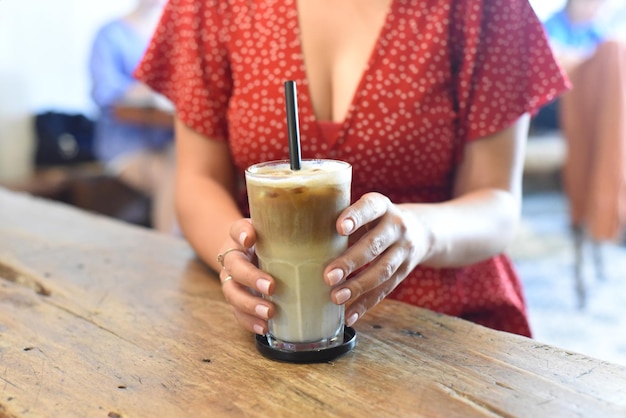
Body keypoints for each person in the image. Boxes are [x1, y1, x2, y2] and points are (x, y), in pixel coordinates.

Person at [135, 0, 568, 338]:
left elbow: (499, 204)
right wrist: (237, 261)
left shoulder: (487, 8)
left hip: (442, 317)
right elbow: (197, 180)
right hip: (267, 316)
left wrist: (417, 231)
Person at [89, 0, 177, 234]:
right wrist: (147, 90)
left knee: (192, 165)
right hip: (126, 145)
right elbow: (104, 93)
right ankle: (167, 250)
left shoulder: (174, 35)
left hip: (172, 141)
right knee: (177, 177)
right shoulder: (110, 35)